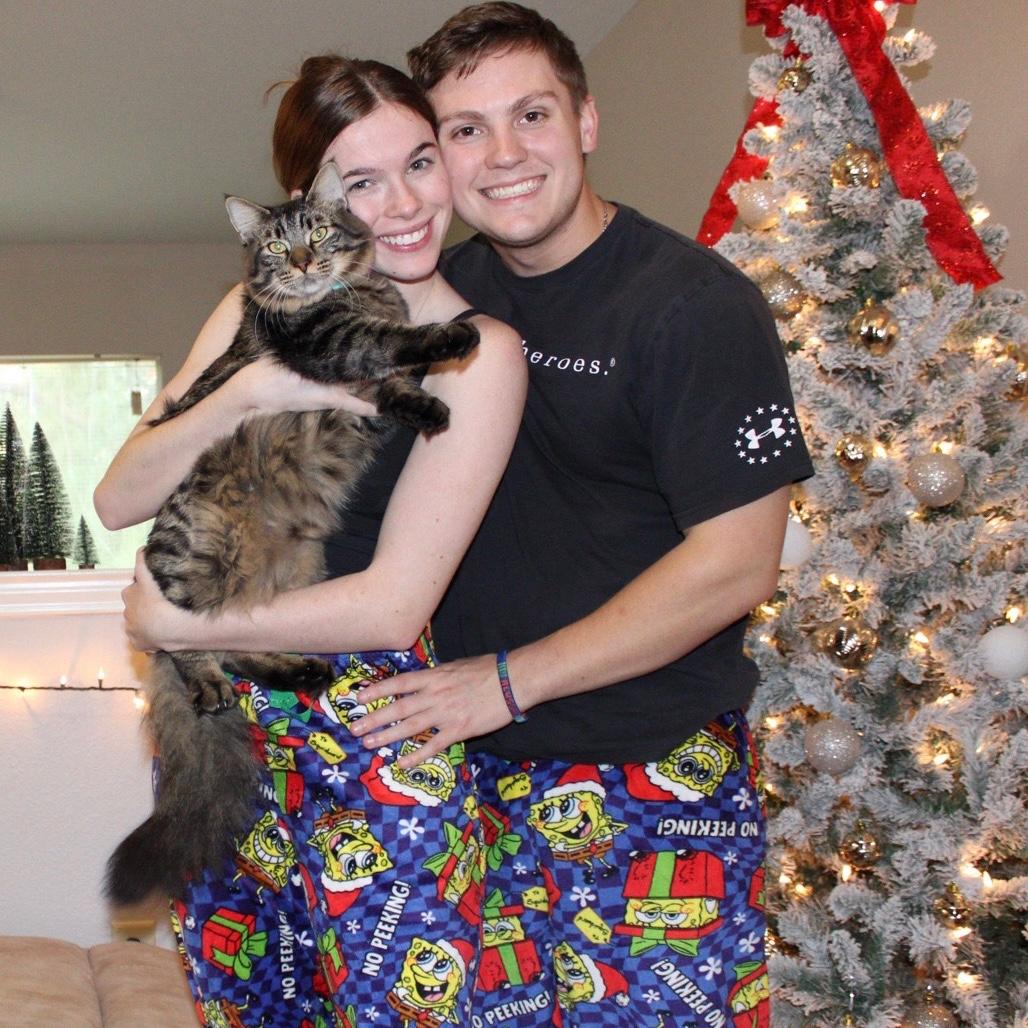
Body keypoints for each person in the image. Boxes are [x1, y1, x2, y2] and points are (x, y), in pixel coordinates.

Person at [346, 4, 815, 1024]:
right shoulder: (443, 296)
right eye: (465, 129)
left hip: (649, 781)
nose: (503, 154)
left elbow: (737, 563)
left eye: (532, 115)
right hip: (464, 781)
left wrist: (507, 682)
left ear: (586, 121)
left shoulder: (692, 307)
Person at [95, 55, 525, 1026]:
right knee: (247, 1005)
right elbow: (120, 496)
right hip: (226, 731)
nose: (403, 204)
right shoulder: (251, 312)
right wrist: (253, 386)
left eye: (420, 163)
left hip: (369, 734)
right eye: (362, 181)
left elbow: (394, 606)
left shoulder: (478, 351)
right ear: (313, 201)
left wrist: (180, 628)